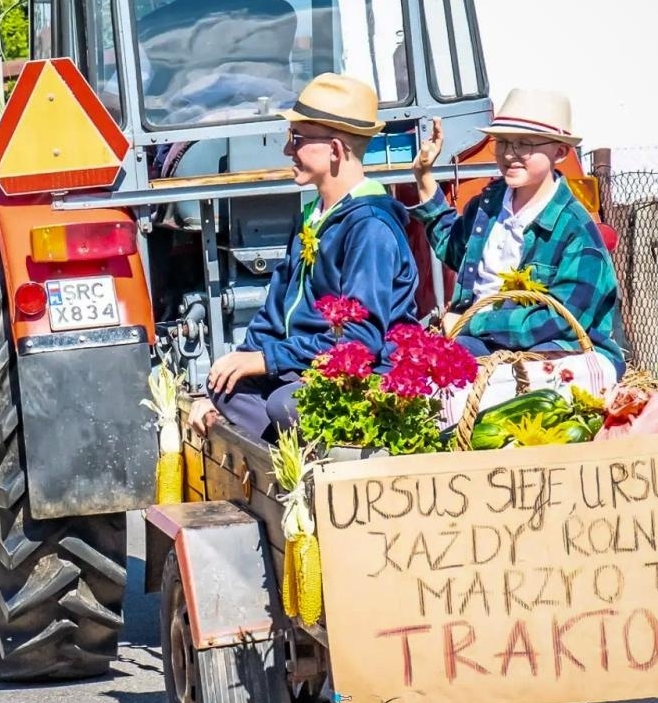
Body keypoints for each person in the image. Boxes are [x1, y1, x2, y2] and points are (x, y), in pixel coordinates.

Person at [189, 74, 418, 438]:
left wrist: (266, 360)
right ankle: (284, 459)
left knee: (286, 404)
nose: (286, 151)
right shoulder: (311, 216)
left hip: (365, 374)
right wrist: (234, 368)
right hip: (307, 366)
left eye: (297, 140)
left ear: (336, 150)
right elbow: (273, 313)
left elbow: (361, 340)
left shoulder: (370, 227)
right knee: (224, 386)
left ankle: (298, 468)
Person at [411, 89, 625, 416]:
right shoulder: (489, 204)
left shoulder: (576, 231)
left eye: (524, 144)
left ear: (559, 152)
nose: (510, 154)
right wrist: (424, 178)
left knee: (456, 394)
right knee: (415, 380)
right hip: (479, 342)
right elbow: (453, 248)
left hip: (557, 352)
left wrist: (471, 324)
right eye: (503, 142)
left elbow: (558, 322)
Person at [137, 0, 299, 125]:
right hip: (277, 127)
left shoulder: (153, 25)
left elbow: (120, 97)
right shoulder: (279, 11)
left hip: (184, 138)